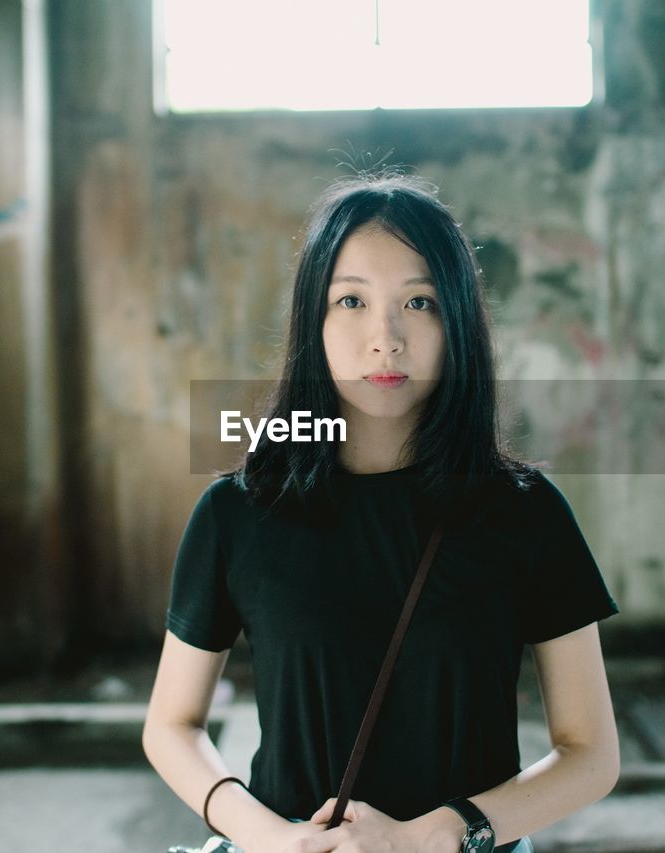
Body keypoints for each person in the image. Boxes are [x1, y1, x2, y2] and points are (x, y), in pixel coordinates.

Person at [143, 171, 621, 853]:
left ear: (456, 319)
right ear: (314, 319)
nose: (386, 337)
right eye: (351, 301)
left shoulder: (523, 513)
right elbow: (172, 724)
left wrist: (442, 833)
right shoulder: (239, 511)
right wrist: (272, 837)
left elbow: (591, 753)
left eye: (419, 301)